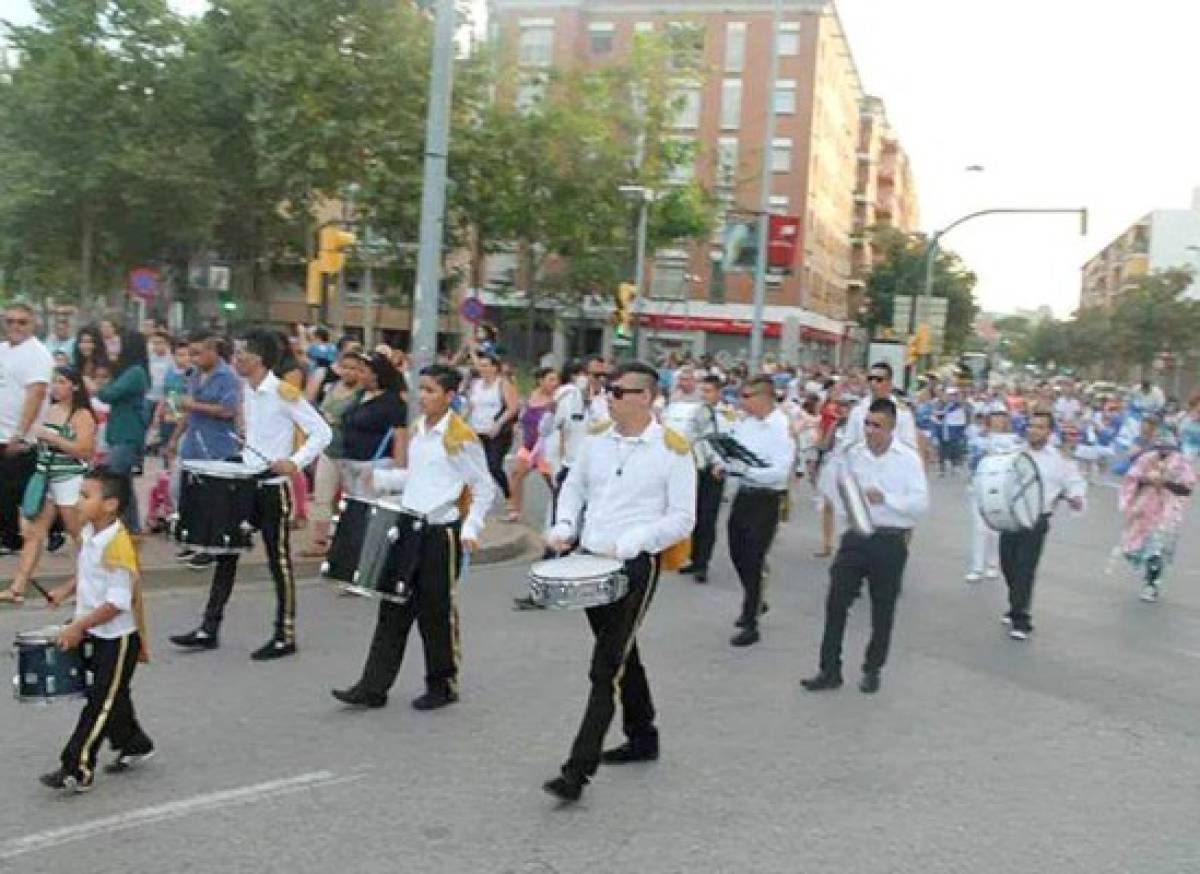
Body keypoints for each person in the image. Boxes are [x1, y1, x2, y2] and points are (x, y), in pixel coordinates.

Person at [542, 362, 696, 804]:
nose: (608, 396)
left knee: (605, 665)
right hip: (591, 559)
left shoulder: (674, 449)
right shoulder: (596, 439)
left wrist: (637, 540)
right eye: (607, 389)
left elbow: (684, 517)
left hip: (633, 566)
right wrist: (565, 523)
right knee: (624, 651)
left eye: (618, 390)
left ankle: (577, 770)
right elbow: (573, 488)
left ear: (646, 397)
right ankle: (643, 734)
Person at [332, 364, 496, 711]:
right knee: (392, 606)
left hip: (441, 532)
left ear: (450, 397)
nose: (423, 397)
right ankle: (373, 687)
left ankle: (442, 683)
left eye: (431, 390)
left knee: (435, 612)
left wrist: (472, 528)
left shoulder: (460, 438)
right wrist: (385, 481)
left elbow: (484, 487)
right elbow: (422, 477)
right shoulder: (421, 428)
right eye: (420, 389)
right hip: (410, 525)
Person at [169, 329, 331, 660]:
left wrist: (295, 462)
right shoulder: (247, 389)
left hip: (272, 488)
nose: (236, 357)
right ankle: (208, 628)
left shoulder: (282, 393)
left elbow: (321, 431)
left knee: (278, 560)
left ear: (256, 358)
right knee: (225, 554)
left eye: (241, 352)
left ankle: (285, 634)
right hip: (244, 481)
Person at [802, 398, 929, 694]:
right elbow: (836, 488)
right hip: (856, 536)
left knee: (882, 609)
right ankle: (829, 669)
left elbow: (920, 504)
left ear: (891, 428)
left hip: (890, 539)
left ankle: (873, 668)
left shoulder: (907, 459)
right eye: (867, 424)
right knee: (836, 602)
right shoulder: (854, 455)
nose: (870, 431)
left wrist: (886, 498)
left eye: (877, 426)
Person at [39, 468, 153, 793]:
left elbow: (117, 603)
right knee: (113, 696)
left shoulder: (117, 546)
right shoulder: (91, 532)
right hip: (97, 633)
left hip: (117, 638)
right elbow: (90, 574)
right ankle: (134, 741)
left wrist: (78, 626)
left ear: (110, 504)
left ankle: (77, 766)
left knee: (99, 702)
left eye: (86, 496)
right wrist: (66, 590)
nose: (77, 502)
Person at [1, 367, 96, 604]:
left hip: (69, 479)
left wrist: (53, 438)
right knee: (34, 533)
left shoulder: (81, 414)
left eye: (62, 382)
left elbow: (84, 451)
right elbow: (41, 442)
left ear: (74, 386)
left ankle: (93, 582)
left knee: (80, 535)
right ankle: (17, 587)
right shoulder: (51, 410)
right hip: (47, 478)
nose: (56, 387)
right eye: (54, 382)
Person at [998, 410, 1086, 640]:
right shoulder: (1014, 453)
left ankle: (1021, 619)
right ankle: (1015, 602)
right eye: (1031, 425)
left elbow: (1073, 482)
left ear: (1049, 432)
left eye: (1040, 427)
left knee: (1025, 569)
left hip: (1037, 519)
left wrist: (1075, 497)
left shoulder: (1058, 460)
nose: (1034, 430)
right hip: (1011, 517)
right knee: (1008, 564)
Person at [722, 375, 794, 646]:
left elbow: (778, 473)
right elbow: (736, 454)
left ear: (764, 398)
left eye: (747, 397)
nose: (742, 402)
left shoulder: (781, 428)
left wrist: (747, 470)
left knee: (753, 557)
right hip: (744, 495)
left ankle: (751, 621)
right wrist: (725, 463)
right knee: (736, 551)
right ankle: (756, 598)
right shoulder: (746, 425)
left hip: (766, 499)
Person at [166, 330, 242, 569]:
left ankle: (211, 546)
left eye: (198, 353)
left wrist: (195, 405)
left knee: (213, 497)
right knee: (185, 492)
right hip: (193, 442)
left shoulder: (227, 377)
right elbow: (186, 411)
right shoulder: (194, 375)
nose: (194, 358)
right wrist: (174, 439)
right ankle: (193, 538)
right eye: (191, 353)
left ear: (212, 352)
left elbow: (228, 410)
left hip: (216, 443)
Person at [0, 302, 55, 554]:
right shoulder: (2, 350)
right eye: (10, 321)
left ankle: (55, 527)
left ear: (33, 324)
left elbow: (36, 393)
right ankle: (11, 537)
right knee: (9, 489)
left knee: (21, 490)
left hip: (21, 436)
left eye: (22, 322)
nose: (15, 326)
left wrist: (20, 434)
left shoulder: (38, 354)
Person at [1118, 432, 1195, 603]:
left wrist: (1166, 483)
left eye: (1168, 448)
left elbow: (1187, 488)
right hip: (1144, 509)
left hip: (1167, 512)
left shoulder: (1181, 463)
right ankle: (1147, 572)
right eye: (1161, 447)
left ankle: (1151, 584)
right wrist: (1147, 479)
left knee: (1156, 548)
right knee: (1135, 547)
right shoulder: (1147, 459)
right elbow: (1131, 477)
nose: (1164, 451)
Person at [304, 348, 365, 556]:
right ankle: (319, 542)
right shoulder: (332, 386)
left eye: (354, 369)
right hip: (328, 449)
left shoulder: (362, 393)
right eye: (345, 367)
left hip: (349, 451)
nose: (348, 372)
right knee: (322, 495)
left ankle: (348, 542)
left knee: (350, 498)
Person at [678, 374, 732, 584]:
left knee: (709, 519)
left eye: (708, 391)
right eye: (702, 390)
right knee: (695, 516)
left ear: (719, 393)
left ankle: (703, 564)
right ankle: (693, 558)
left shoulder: (726, 415)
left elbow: (727, 443)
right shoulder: (697, 412)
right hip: (696, 467)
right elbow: (688, 436)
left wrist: (721, 464)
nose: (704, 395)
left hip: (714, 470)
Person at [96, 330, 150, 531]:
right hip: (120, 431)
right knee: (123, 480)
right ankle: (130, 524)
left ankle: (126, 523)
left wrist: (99, 387)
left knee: (118, 478)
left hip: (128, 432)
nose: (113, 346)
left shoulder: (135, 372)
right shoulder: (126, 370)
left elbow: (110, 393)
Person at [339, 352, 407, 495]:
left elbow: (400, 437)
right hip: (350, 462)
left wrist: (397, 474)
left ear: (375, 375)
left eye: (363, 371)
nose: (358, 375)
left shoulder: (392, 402)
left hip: (374, 465)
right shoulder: (359, 395)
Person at [965, 410, 1020, 583]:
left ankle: (993, 565)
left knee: (996, 530)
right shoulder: (979, 440)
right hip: (980, 487)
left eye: (1002, 420)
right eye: (995, 419)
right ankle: (976, 567)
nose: (998, 423)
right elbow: (972, 462)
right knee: (980, 528)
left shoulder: (1015, 441)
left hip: (1003, 490)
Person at [506, 366, 559, 522]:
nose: (554, 383)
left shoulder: (557, 400)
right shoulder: (532, 396)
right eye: (550, 380)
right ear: (540, 381)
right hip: (528, 445)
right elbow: (524, 416)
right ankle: (515, 510)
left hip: (545, 449)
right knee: (516, 475)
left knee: (553, 482)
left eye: (556, 380)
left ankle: (561, 511)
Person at [466, 352, 520, 503]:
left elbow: (513, 407)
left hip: (496, 432)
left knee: (494, 466)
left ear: (495, 368)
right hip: (476, 430)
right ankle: (477, 499)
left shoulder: (503, 384)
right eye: (480, 366)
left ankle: (509, 497)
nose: (482, 369)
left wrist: (498, 424)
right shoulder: (476, 384)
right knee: (475, 466)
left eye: (485, 366)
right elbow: (471, 406)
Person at [844, 361, 918, 449]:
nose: (873, 383)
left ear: (889, 383)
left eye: (879, 380)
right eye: (870, 379)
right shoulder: (858, 410)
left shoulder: (902, 412)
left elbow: (909, 446)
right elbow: (848, 443)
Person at [73, 325, 110, 394]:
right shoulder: (80, 363)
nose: (85, 346)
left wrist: (82, 380)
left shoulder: (102, 365)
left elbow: (96, 390)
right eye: (82, 342)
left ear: (96, 344)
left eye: (89, 342)